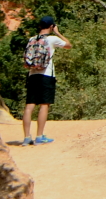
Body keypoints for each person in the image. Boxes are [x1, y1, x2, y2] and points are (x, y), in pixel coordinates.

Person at [22, 17, 70, 146]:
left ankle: (26, 137)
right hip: (46, 75)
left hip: (32, 74)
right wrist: (57, 32)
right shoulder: (52, 39)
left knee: (29, 106)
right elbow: (69, 45)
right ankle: (39, 136)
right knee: (44, 105)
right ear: (51, 26)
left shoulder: (32, 39)